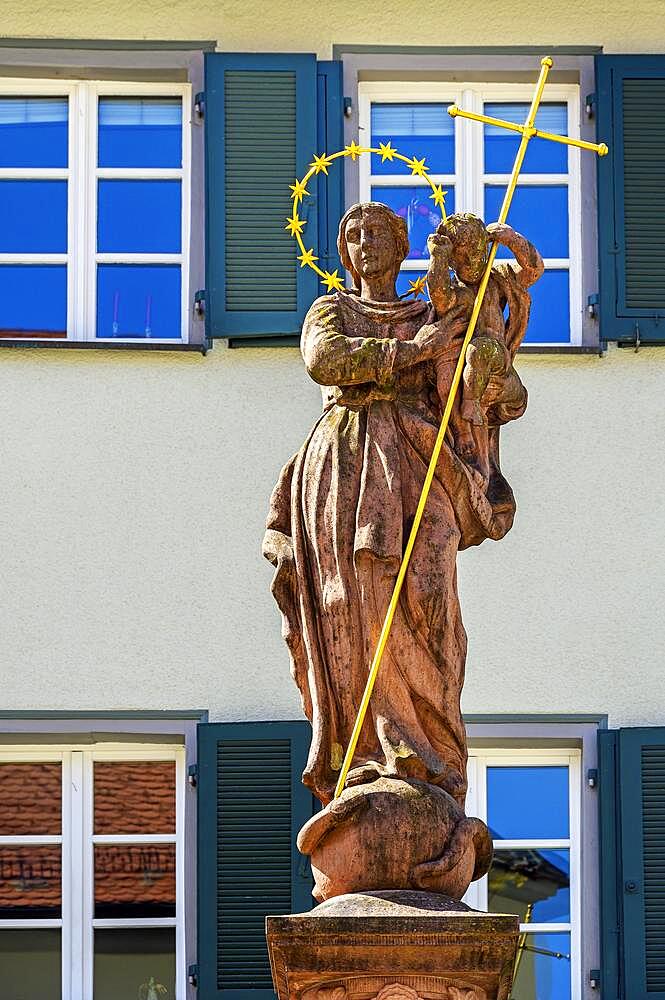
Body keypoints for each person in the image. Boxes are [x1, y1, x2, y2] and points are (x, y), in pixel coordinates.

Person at [263, 202, 528, 809]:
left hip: (419, 459)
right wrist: (415, 351)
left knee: (429, 593)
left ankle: (433, 754)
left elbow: (478, 376)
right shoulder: (332, 309)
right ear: (341, 252)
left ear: (402, 244)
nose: (365, 244)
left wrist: (479, 306)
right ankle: (366, 754)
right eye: (353, 235)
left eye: (379, 233)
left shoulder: (426, 309)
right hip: (347, 461)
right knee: (354, 598)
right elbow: (326, 361)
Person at [426, 212, 542, 478]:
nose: (470, 262)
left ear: (486, 246)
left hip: (495, 356)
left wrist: (512, 239)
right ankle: (467, 434)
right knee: (450, 379)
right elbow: (439, 298)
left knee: (478, 350)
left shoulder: (500, 277)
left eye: (476, 252)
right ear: (453, 260)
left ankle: (472, 405)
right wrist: (438, 259)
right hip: (463, 367)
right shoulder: (456, 290)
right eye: (461, 256)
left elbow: (533, 270)